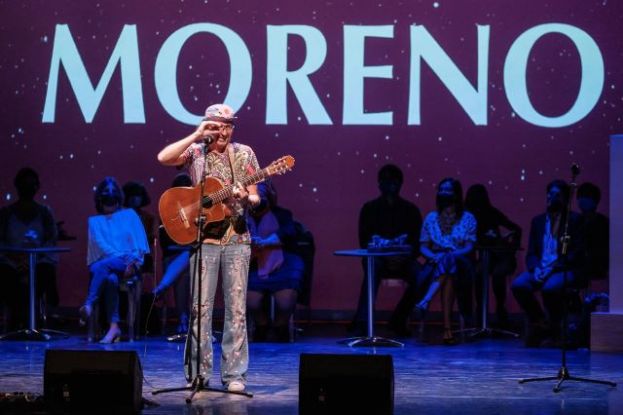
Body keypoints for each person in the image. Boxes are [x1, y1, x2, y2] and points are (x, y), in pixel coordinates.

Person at [157, 103, 260, 393]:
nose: (224, 131)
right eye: (217, 125)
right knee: (200, 309)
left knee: (236, 310)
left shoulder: (244, 154)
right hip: (204, 240)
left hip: (237, 239)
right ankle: (198, 374)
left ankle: (235, 375)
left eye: (228, 125)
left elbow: (256, 199)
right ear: (208, 125)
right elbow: (163, 157)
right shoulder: (196, 152)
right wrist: (196, 134)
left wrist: (244, 196)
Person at [511, 180, 584, 347]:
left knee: (550, 287)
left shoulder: (573, 221)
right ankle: (541, 321)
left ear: (565, 198)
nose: (551, 198)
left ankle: (555, 326)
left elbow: (575, 253)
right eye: (549, 194)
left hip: (563, 268)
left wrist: (552, 268)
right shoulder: (538, 221)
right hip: (541, 268)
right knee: (518, 285)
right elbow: (531, 253)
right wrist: (535, 268)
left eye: (557, 195)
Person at [352, 164, 423, 337]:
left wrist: (402, 256)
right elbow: (365, 241)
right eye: (386, 182)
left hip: (404, 260)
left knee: (423, 275)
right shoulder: (369, 209)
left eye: (394, 182)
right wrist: (386, 254)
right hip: (378, 260)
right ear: (379, 184)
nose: (390, 186)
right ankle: (363, 322)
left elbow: (417, 242)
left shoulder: (411, 210)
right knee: (372, 266)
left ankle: (399, 318)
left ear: (401, 184)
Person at [79, 177, 149, 343]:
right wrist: (120, 258)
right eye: (106, 195)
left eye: (112, 194)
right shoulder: (95, 222)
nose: (109, 197)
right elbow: (102, 248)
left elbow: (140, 244)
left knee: (100, 268)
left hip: (130, 263)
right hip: (112, 263)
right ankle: (113, 327)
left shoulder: (130, 215)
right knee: (110, 278)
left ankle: (89, 304)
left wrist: (130, 262)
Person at [416, 178, 476, 345]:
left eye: (447, 190)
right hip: (436, 261)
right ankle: (447, 330)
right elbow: (423, 247)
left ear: (456, 194)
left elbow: (469, 246)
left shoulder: (468, 218)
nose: (443, 193)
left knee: (449, 258)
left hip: (460, 260)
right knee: (447, 271)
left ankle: (426, 300)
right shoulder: (431, 218)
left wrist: (453, 254)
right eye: (441, 189)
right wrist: (433, 256)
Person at [246, 179, 305, 342]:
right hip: (253, 263)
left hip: (283, 263)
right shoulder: (241, 216)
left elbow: (287, 232)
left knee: (285, 302)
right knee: (251, 300)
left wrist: (264, 243)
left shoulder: (283, 214)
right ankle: (262, 324)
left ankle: (281, 326)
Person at [0, 167, 59, 330]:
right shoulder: (5, 213)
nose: (28, 188)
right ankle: (17, 319)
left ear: (37, 187)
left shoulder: (45, 213)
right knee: (4, 274)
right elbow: (1, 242)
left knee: (45, 272)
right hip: (10, 263)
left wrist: (32, 261)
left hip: (38, 262)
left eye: (31, 184)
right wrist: (15, 260)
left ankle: (31, 320)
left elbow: (50, 241)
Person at [465, 184, 522, 327]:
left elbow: (515, 229)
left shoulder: (491, 213)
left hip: (500, 257)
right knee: (479, 273)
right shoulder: (469, 216)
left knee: (496, 273)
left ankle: (497, 309)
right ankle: (483, 311)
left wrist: (510, 247)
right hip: (488, 257)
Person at [152, 173, 193, 335]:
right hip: (174, 255)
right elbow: (166, 243)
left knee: (190, 257)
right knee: (183, 273)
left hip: (196, 257)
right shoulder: (167, 211)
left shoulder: (200, 208)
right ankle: (184, 318)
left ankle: (163, 287)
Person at [576, 182, 608, 282]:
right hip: (578, 268)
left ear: (595, 201)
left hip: (597, 269)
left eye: (586, 196)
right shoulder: (575, 221)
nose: (581, 200)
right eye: (580, 196)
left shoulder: (604, 223)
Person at [123, 181, 156, 273]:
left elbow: (153, 237)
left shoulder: (149, 217)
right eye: (132, 195)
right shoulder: (120, 217)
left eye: (137, 195)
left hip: (144, 256)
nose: (134, 199)